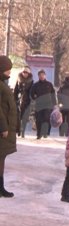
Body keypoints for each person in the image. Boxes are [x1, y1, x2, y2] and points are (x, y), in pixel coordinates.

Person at [0, 55, 16, 198]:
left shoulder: (3, 84)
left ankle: (1, 187)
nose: (9, 72)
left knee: (1, 158)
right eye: (7, 69)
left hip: (5, 128)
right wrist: (3, 127)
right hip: (1, 130)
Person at [30, 69, 57, 139]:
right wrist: (34, 98)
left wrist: (55, 104)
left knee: (46, 118)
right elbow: (31, 94)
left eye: (43, 75)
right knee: (38, 119)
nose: (42, 76)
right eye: (40, 75)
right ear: (38, 76)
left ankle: (46, 132)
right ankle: (39, 134)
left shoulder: (49, 84)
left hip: (48, 105)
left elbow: (53, 94)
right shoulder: (35, 85)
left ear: (45, 76)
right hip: (39, 105)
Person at [14, 66, 33, 138]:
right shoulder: (18, 80)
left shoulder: (31, 81)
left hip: (27, 101)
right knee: (18, 117)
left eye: (26, 73)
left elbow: (32, 92)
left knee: (25, 118)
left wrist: (31, 99)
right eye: (24, 72)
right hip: (19, 100)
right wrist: (15, 99)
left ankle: (23, 131)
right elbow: (16, 90)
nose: (25, 74)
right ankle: (18, 131)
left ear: (29, 73)